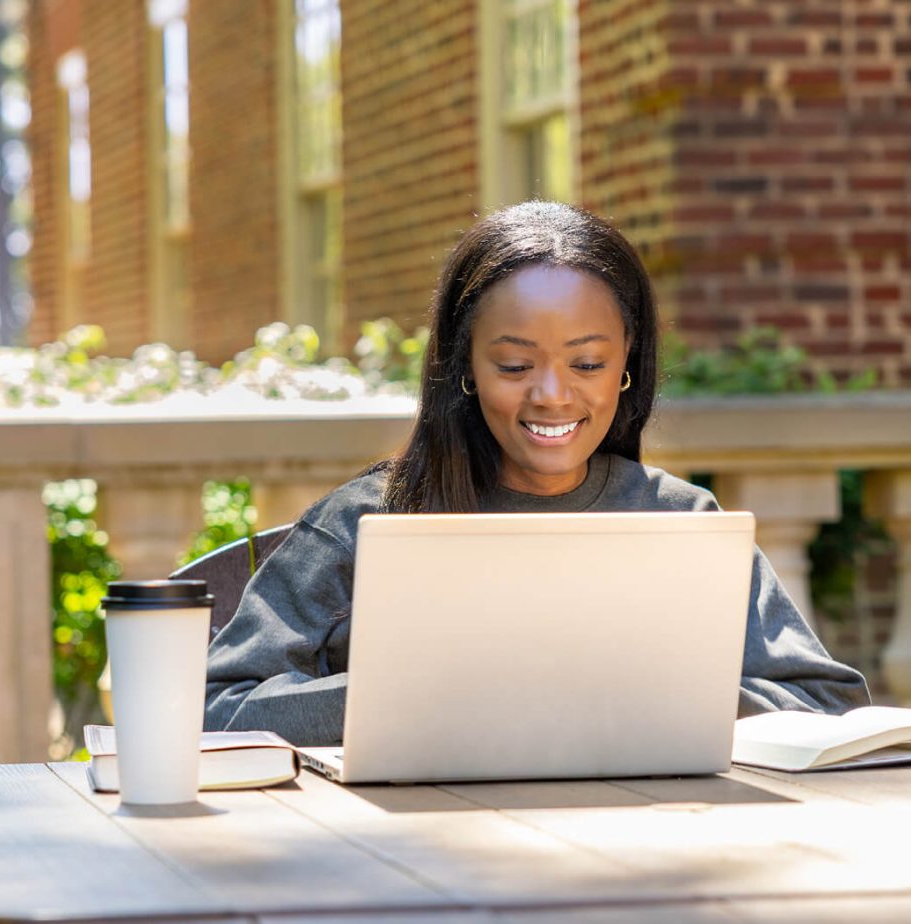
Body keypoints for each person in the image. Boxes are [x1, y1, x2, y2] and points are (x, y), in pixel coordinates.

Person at [205, 201, 869, 744]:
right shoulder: (365, 524)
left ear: (627, 365)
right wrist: (423, 695)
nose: (552, 396)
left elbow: (824, 698)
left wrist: (648, 695)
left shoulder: (680, 522)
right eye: (515, 366)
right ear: (464, 367)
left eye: (586, 365)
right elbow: (216, 708)